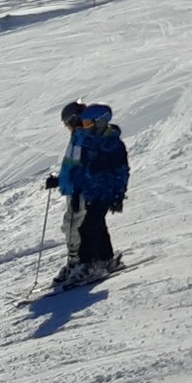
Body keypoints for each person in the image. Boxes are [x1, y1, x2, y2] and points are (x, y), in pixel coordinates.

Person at [45, 102, 129, 287]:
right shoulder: (83, 138)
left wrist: (118, 194)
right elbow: (76, 169)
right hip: (88, 190)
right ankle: (103, 258)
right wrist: (60, 181)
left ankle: (86, 264)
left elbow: (119, 171)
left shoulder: (101, 142)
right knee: (94, 226)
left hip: (97, 191)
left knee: (83, 227)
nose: (83, 126)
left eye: (87, 122)